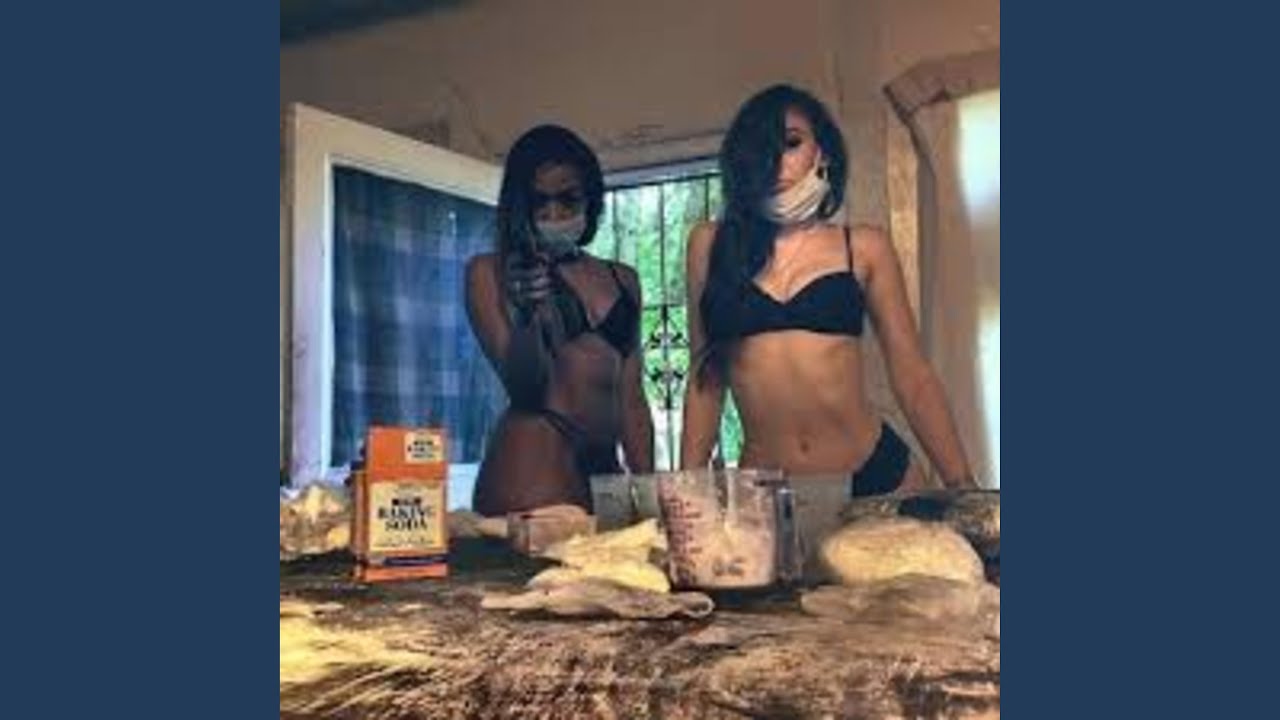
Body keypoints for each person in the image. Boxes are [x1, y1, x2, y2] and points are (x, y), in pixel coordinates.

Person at [680, 85, 978, 496]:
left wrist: (963, 487)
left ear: (823, 152)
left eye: (791, 143)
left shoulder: (865, 247)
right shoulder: (711, 245)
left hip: (874, 477)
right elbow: (706, 380)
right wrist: (687, 491)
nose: (777, 162)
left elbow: (913, 376)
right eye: (762, 149)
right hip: (769, 494)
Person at [466, 125, 654, 515]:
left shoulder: (624, 279)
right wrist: (526, 316)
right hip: (533, 464)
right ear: (520, 206)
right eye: (539, 201)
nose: (554, 213)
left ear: (590, 198)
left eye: (568, 199)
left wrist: (650, 494)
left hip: (606, 474)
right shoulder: (489, 273)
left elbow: (632, 399)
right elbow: (526, 391)